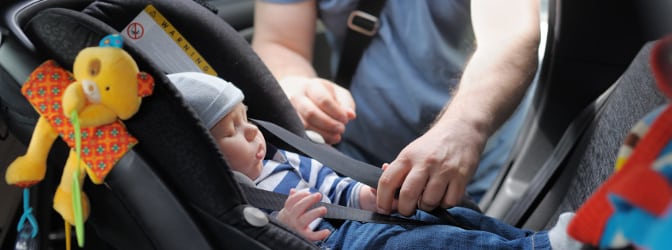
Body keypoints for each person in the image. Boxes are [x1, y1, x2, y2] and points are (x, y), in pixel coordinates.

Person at [167, 71, 580, 249]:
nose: (253, 132)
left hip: (357, 219)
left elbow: (332, 184)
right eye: (231, 132)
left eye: (246, 119)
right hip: (340, 242)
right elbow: (256, 239)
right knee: (426, 244)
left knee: (448, 218)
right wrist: (288, 229)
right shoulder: (238, 201)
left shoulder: (281, 160)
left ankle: (526, 241)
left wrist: (368, 195)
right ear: (203, 155)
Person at [251, 0, 541, 216]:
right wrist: (295, 83)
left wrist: (464, 128)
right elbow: (280, 41)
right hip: (353, 164)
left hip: (481, 171)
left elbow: (510, 34)